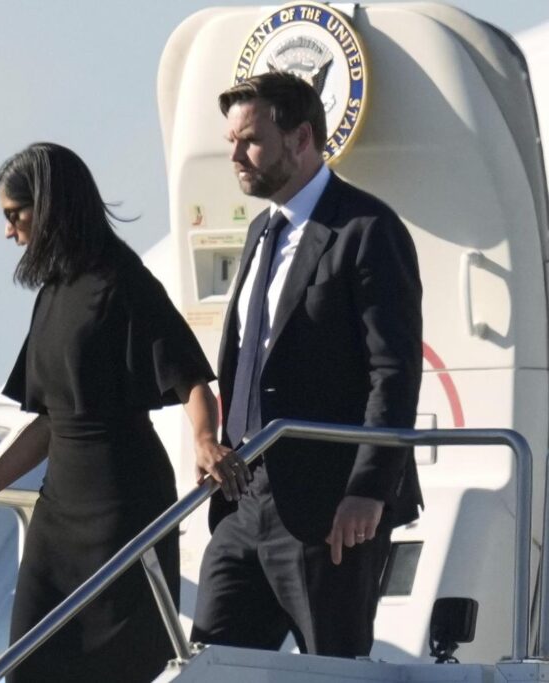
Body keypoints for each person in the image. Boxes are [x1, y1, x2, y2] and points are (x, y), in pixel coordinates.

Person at [0, 142, 245, 682]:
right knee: (30, 664)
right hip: (59, 517)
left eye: (15, 215)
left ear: (48, 207)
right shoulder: (52, 292)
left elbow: (191, 379)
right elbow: (48, 423)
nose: (8, 231)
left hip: (123, 508)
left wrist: (206, 439)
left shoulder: (123, 281)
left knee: (118, 667)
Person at [190, 72, 424, 657]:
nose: (235, 157)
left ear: (301, 139)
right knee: (213, 663)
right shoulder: (261, 232)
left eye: (250, 141)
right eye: (231, 142)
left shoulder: (366, 230)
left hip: (330, 509)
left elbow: (393, 372)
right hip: (245, 501)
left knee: (331, 667)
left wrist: (368, 490)